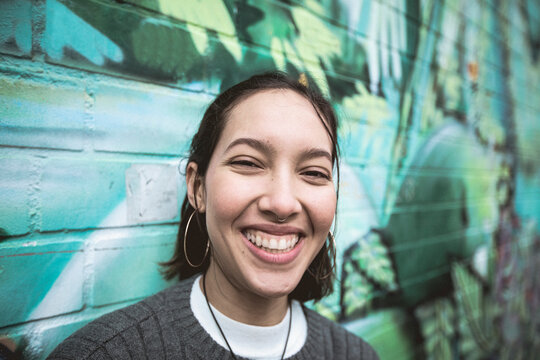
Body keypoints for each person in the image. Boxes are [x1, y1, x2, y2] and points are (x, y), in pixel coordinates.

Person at [48, 72, 379, 359]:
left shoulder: (356, 355)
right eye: (248, 163)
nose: (282, 203)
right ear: (197, 187)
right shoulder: (104, 353)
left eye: (314, 172)